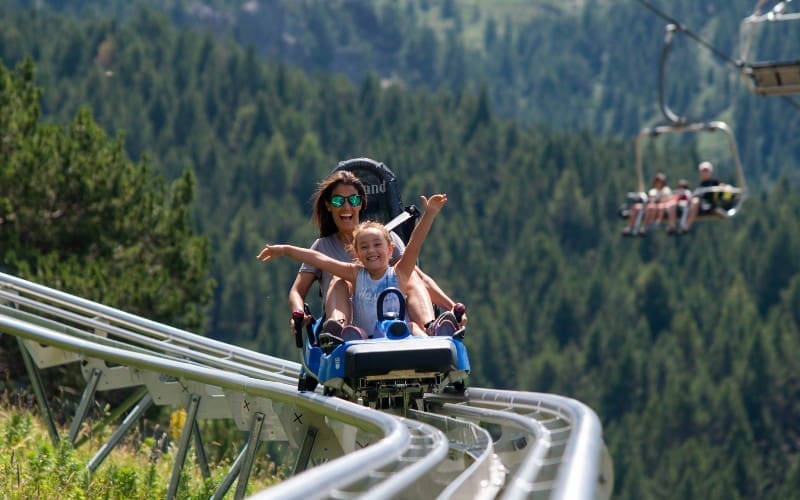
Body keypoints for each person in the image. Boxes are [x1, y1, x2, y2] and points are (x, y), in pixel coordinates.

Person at [284, 171, 463, 338]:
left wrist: (453, 308)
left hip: (397, 321)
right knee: (339, 281)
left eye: (353, 200)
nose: (346, 206)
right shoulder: (322, 246)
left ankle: (431, 327)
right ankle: (338, 331)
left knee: (412, 276)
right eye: (339, 201)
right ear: (329, 206)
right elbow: (297, 290)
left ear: (360, 204)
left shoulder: (385, 238)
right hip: (354, 326)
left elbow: (418, 276)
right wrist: (298, 314)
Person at [680, 161, 726, 234]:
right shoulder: (700, 185)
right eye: (703, 171)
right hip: (699, 205)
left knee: (695, 202)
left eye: (706, 171)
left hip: (710, 203)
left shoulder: (715, 182)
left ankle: (686, 225)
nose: (705, 173)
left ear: (710, 172)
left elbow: (723, 187)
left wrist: (723, 187)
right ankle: (684, 224)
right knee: (692, 202)